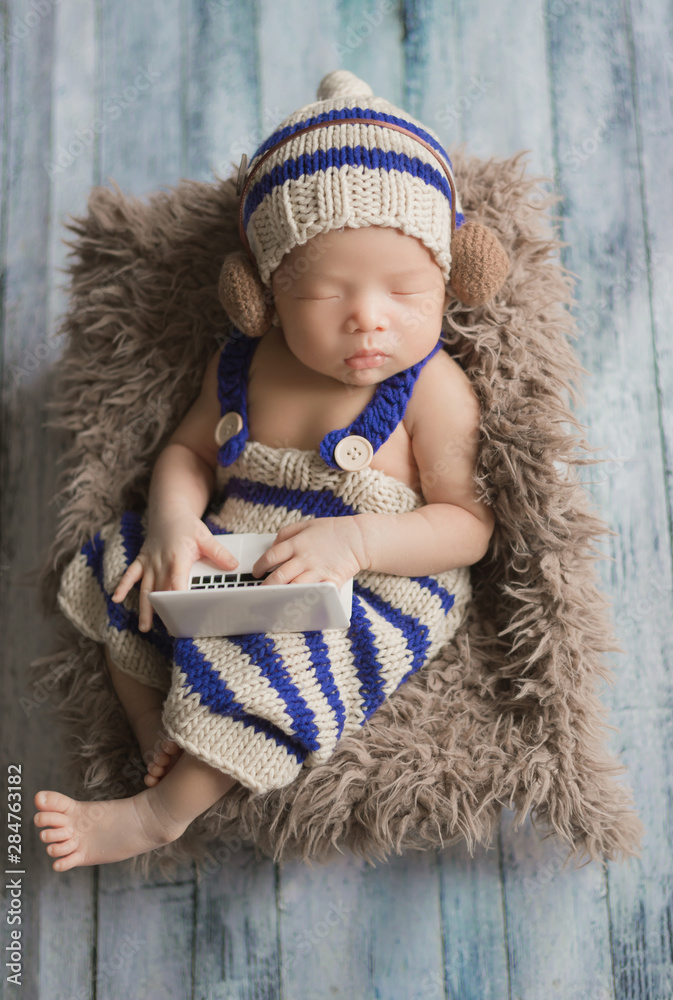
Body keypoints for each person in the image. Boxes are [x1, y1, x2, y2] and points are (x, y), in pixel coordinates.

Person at [34, 70, 508, 871]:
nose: (369, 315)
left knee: (276, 670)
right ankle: (163, 730)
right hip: (238, 554)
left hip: (370, 582)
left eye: (404, 289)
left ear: (451, 275)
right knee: (121, 576)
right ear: (264, 296)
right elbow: (186, 454)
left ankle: (158, 812)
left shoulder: (432, 387)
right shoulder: (243, 362)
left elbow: (468, 525)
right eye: (326, 292)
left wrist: (355, 542)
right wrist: (175, 524)